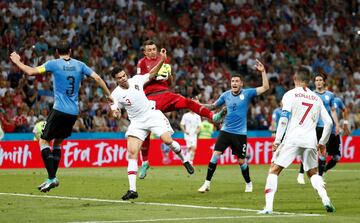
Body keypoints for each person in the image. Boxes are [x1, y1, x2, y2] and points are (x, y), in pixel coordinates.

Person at [9, 40, 112, 192]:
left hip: (59, 110)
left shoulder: (53, 64)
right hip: (73, 112)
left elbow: (30, 72)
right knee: (57, 143)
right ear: (70, 50)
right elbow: (97, 78)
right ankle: (52, 178)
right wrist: (108, 94)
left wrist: (17, 61)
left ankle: (52, 178)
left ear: (57, 51)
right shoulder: (80, 65)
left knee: (43, 141)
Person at [109, 48, 194, 200]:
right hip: (136, 122)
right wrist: (115, 113)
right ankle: (132, 190)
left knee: (167, 141)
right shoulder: (115, 94)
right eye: (119, 78)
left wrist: (162, 60)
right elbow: (115, 109)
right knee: (132, 152)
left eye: (123, 76)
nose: (123, 79)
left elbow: (152, 74)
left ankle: (184, 159)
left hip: (152, 115)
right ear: (115, 80)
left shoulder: (136, 80)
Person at [136, 40, 223, 179]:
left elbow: (169, 83)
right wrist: (157, 73)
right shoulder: (141, 63)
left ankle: (213, 117)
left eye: (154, 49)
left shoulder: (163, 59)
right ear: (145, 52)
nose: (152, 51)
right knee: (145, 131)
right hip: (151, 99)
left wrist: (169, 76)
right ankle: (145, 162)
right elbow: (141, 81)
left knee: (188, 102)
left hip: (166, 94)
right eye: (149, 50)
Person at [258, 67, 335, 214]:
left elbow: (283, 118)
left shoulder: (290, 95)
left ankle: (268, 207)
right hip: (311, 140)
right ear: (308, 81)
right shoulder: (317, 98)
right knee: (313, 172)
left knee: (274, 170)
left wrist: (277, 140)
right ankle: (325, 199)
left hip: (293, 138)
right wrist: (322, 143)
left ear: (295, 79)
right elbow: (329, 123)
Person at [198, 59, 269, 193]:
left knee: (241, 162)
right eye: (232, 81)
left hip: (240, 134)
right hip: (225, 131)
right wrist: (198, 104)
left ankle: (248, 183)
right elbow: (213, 106)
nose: (234, 83)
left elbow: (265, 87)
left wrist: (263, 72)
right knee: (215, 155)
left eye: (237, 81)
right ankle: (207, 183)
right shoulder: (225, 95)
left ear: (241, 83)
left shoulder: (247, 93)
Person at [296, 72, 340, 184]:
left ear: (324, 82)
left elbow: (333, 111)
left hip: (326, 127)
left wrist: (337, 125)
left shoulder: (330, 95)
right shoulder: (311, 94)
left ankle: (319, 177)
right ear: (314, 82)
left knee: (323, 153)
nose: (318, 82)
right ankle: (301, 174)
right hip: (313, 126)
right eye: (316, 80)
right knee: (308, 149)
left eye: (320, 80)